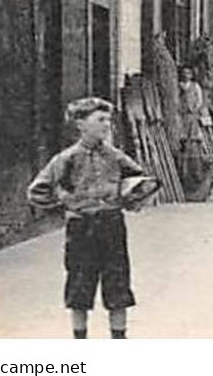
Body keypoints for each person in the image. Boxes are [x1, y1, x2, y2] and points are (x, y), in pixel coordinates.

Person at [28, 97, 150, 339]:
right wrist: (67, 203)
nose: (107, 125)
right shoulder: (66, 159)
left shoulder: (116, 157)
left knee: (117, 283)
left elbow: (139, 181)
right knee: (80, 285)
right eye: (100, 120)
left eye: (108, 120)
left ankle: (119, 339)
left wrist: (131, 199)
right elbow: (37, 191)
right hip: (81, 227)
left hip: (112, 225)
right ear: (81, 123)